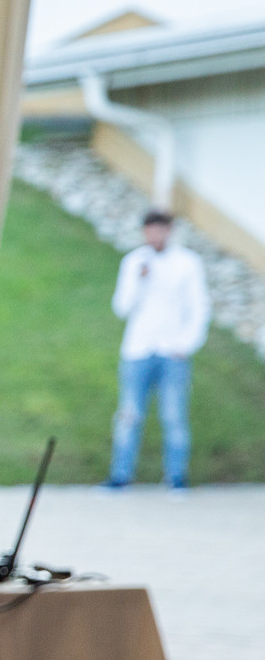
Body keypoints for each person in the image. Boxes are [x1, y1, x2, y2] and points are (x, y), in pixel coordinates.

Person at [104, 209, 208, 492]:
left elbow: (198, 306)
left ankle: (176, 477)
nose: (155, 236)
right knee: (129, 414)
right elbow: (122, 307)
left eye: (160, 230)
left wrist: (187, 344)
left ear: (169, 231)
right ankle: (120, 475)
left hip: (172, 349)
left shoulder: (188, 263)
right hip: (138, 348)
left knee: (174, 416)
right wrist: (140, 279)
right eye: (150, 230)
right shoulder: (134, 262)